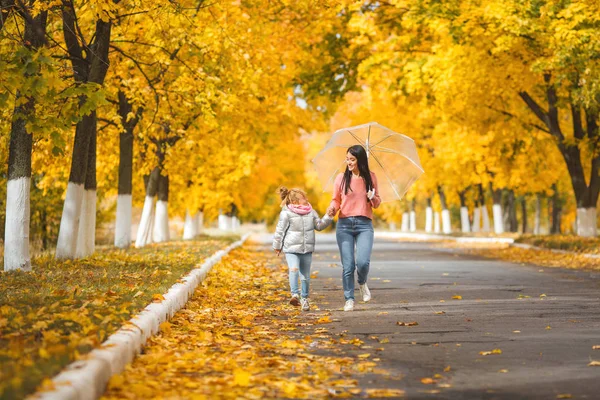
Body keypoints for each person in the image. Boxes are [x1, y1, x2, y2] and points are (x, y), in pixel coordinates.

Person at [327, 144, 381, 311]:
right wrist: (332, 208)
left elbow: (377, 203)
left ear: (360, 160)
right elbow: (336, 199)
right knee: (348, 265)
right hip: (344, 225)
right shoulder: (341, 178)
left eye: (352, 159)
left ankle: (362, 282)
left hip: (364, 224)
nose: (348, 162)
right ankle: (349, 298)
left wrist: (372, 197)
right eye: (347, 159)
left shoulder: (370, 178)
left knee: (363, 263)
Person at [273, 186, 332, 311]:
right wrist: (277, 246)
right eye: (302, 198)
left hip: (306, 249)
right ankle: (295, 295)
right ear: (294, 202)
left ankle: (304, 299)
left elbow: (319, 226)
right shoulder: (286, 213)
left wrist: (329, 216)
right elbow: (280, 230)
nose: (306, 199)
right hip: (291, 249)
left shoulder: (311, 212)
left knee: (305, 276)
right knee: (293, 269)